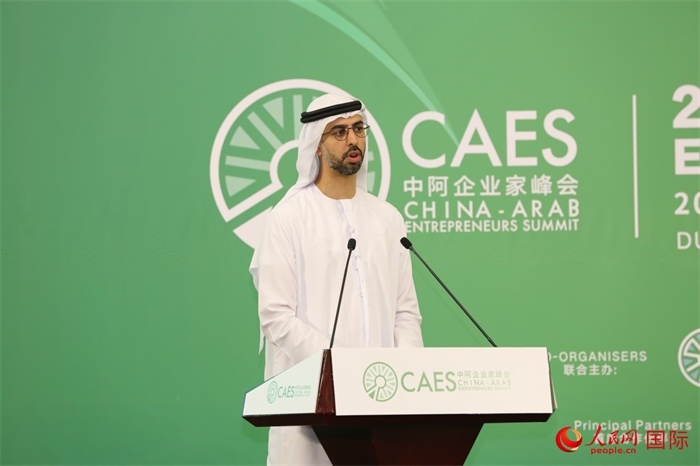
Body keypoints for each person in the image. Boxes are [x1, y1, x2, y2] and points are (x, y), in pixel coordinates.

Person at [249, 93, 424, 465]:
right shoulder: (289, 217)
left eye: (359, 129)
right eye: (339, 132)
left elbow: (405, 313)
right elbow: (276, 316)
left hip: (381, 398)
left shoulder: (387, 218)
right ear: (316, 143)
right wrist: (340, 368)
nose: (353, 140)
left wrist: (407, 376)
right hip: (311, 399)